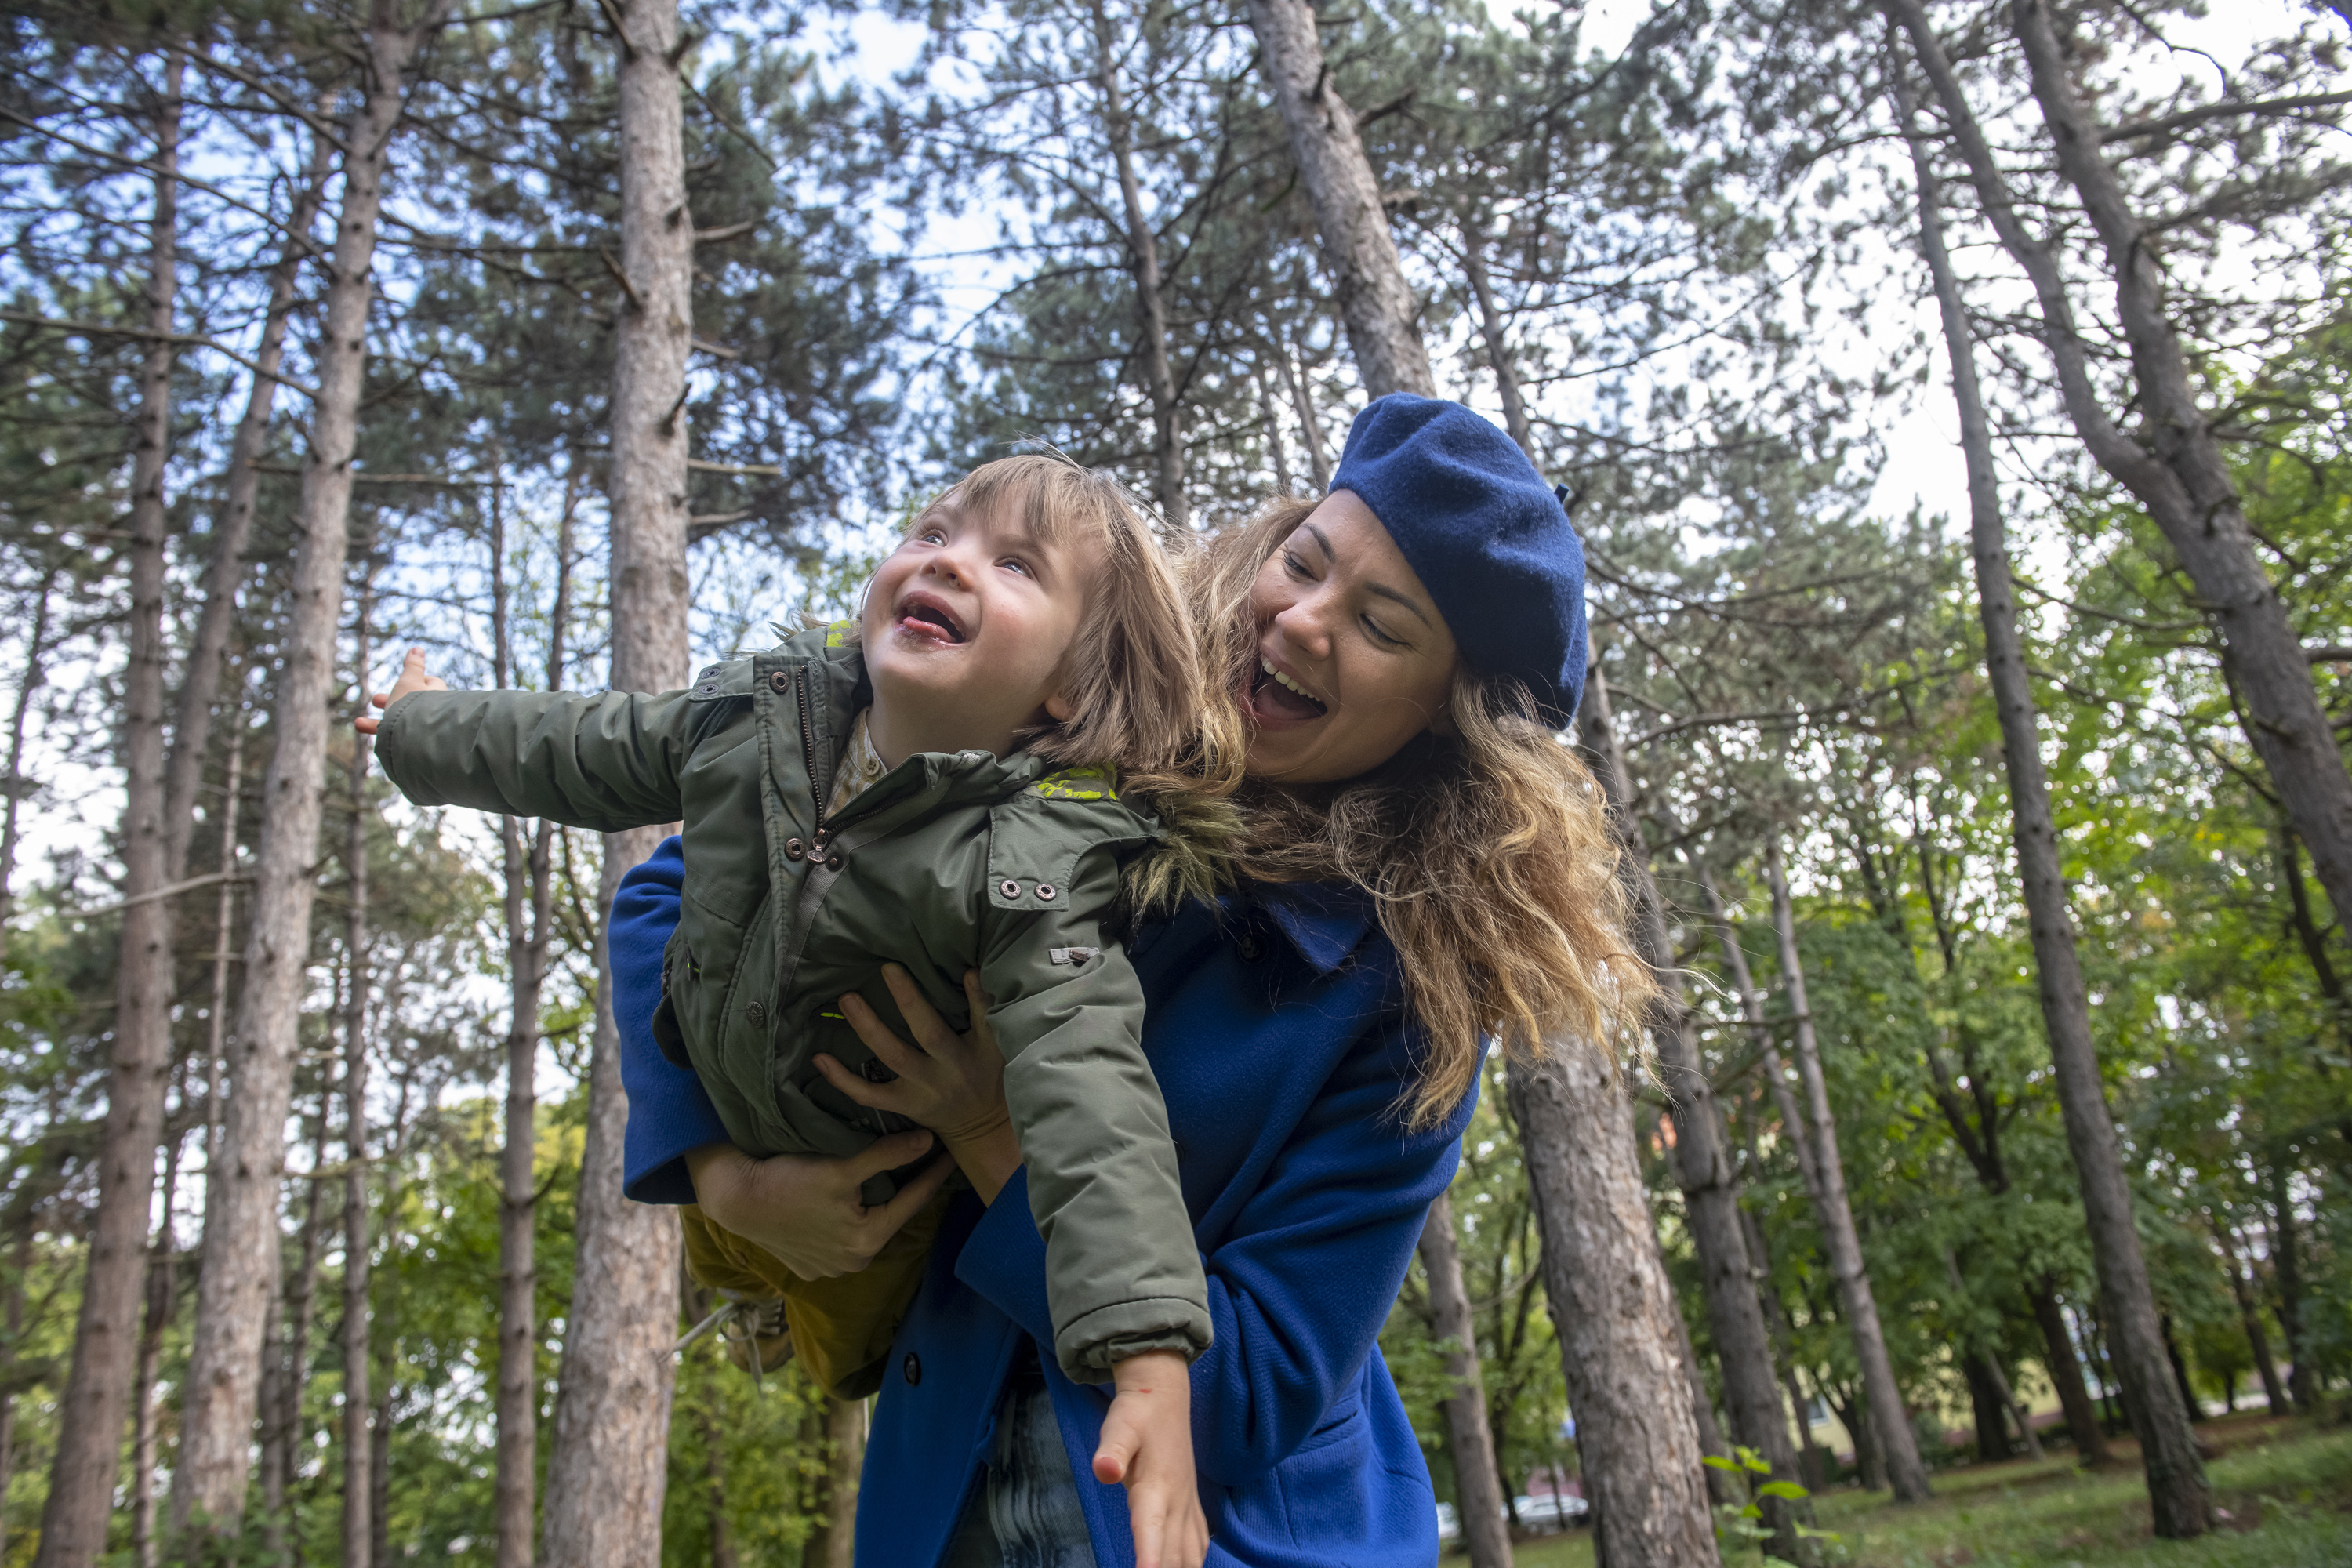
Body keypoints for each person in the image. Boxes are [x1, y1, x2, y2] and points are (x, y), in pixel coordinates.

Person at [615, 394, 1650, 1567]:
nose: (1305, 622)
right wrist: (724, 1175)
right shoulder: (1048, 733)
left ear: (1444, 725)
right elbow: (677, 891)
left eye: (1382, 625)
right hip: (937, 1505)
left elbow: (1254, 1394)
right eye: (1303, 564)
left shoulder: (1405, 1009)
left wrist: (990, 1134)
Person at [361, 455, 1241, 1567]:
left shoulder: (1034, 865)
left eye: (1014, 565)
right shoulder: (753, 721)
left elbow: (1096, 1101)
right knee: (734, 1260)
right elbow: (578, 746)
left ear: (1066, 689)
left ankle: (788, 1324)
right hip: (726, 1132)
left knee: (846, 1336)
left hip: (876, 1200)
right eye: (934, 530)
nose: (947, 561)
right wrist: (416, 730)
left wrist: (1150, 1361)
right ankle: (744, 1295)